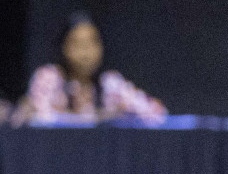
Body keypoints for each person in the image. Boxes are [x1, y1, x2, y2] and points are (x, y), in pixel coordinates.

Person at [21, 12, 166, 124]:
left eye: (92, 43)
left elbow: (157, 113)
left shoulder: (109, 83)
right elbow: (37, 118)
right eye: (77, 44)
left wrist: (123, 114)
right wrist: (94, 117)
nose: (86, 53)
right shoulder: (50, 77)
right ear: (64, 47)